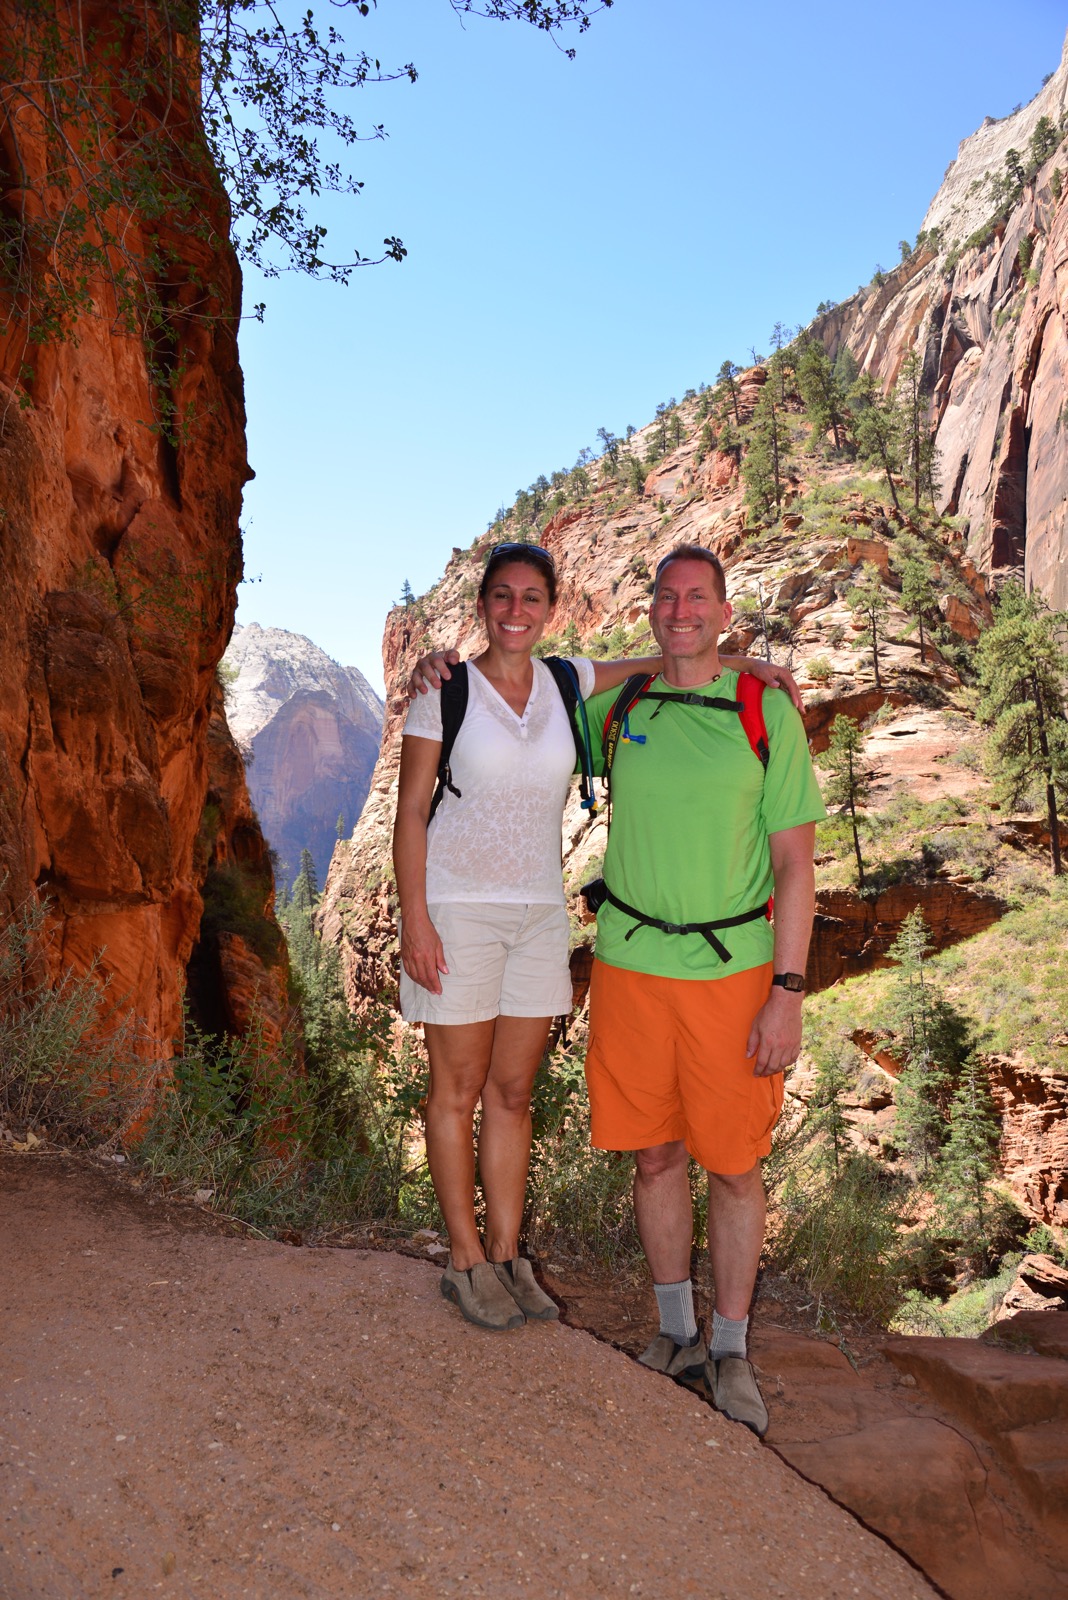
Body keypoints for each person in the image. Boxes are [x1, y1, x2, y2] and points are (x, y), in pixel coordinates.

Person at [394, 540, 802, 1333]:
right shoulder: (443, 692)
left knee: (513, 1094)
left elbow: (668, 659)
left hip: (540, 917)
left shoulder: (565, 683)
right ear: (482, 606)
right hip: (459, 912)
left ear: (552, 609)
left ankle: (509, 1259)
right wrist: (415, 915)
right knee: (457, 1091)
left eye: (532, 598)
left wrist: (745, 668)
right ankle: (465, 1260)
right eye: (502, 596)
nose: (517, 610)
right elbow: (412, 811)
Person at [579, 544, 826, 1435]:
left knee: (733, 1164)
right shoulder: (623, 703)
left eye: (698, 599)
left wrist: (788, 991)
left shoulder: (764, 712)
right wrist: (442, 671)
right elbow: (517, 692)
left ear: (725, 612)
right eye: (667, 597)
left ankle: (730, 1348)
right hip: (631, 966)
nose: (681, 610)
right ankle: (675, 1333)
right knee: (652, 1154)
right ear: (651, 609)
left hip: (733, 976)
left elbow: (797, 865)